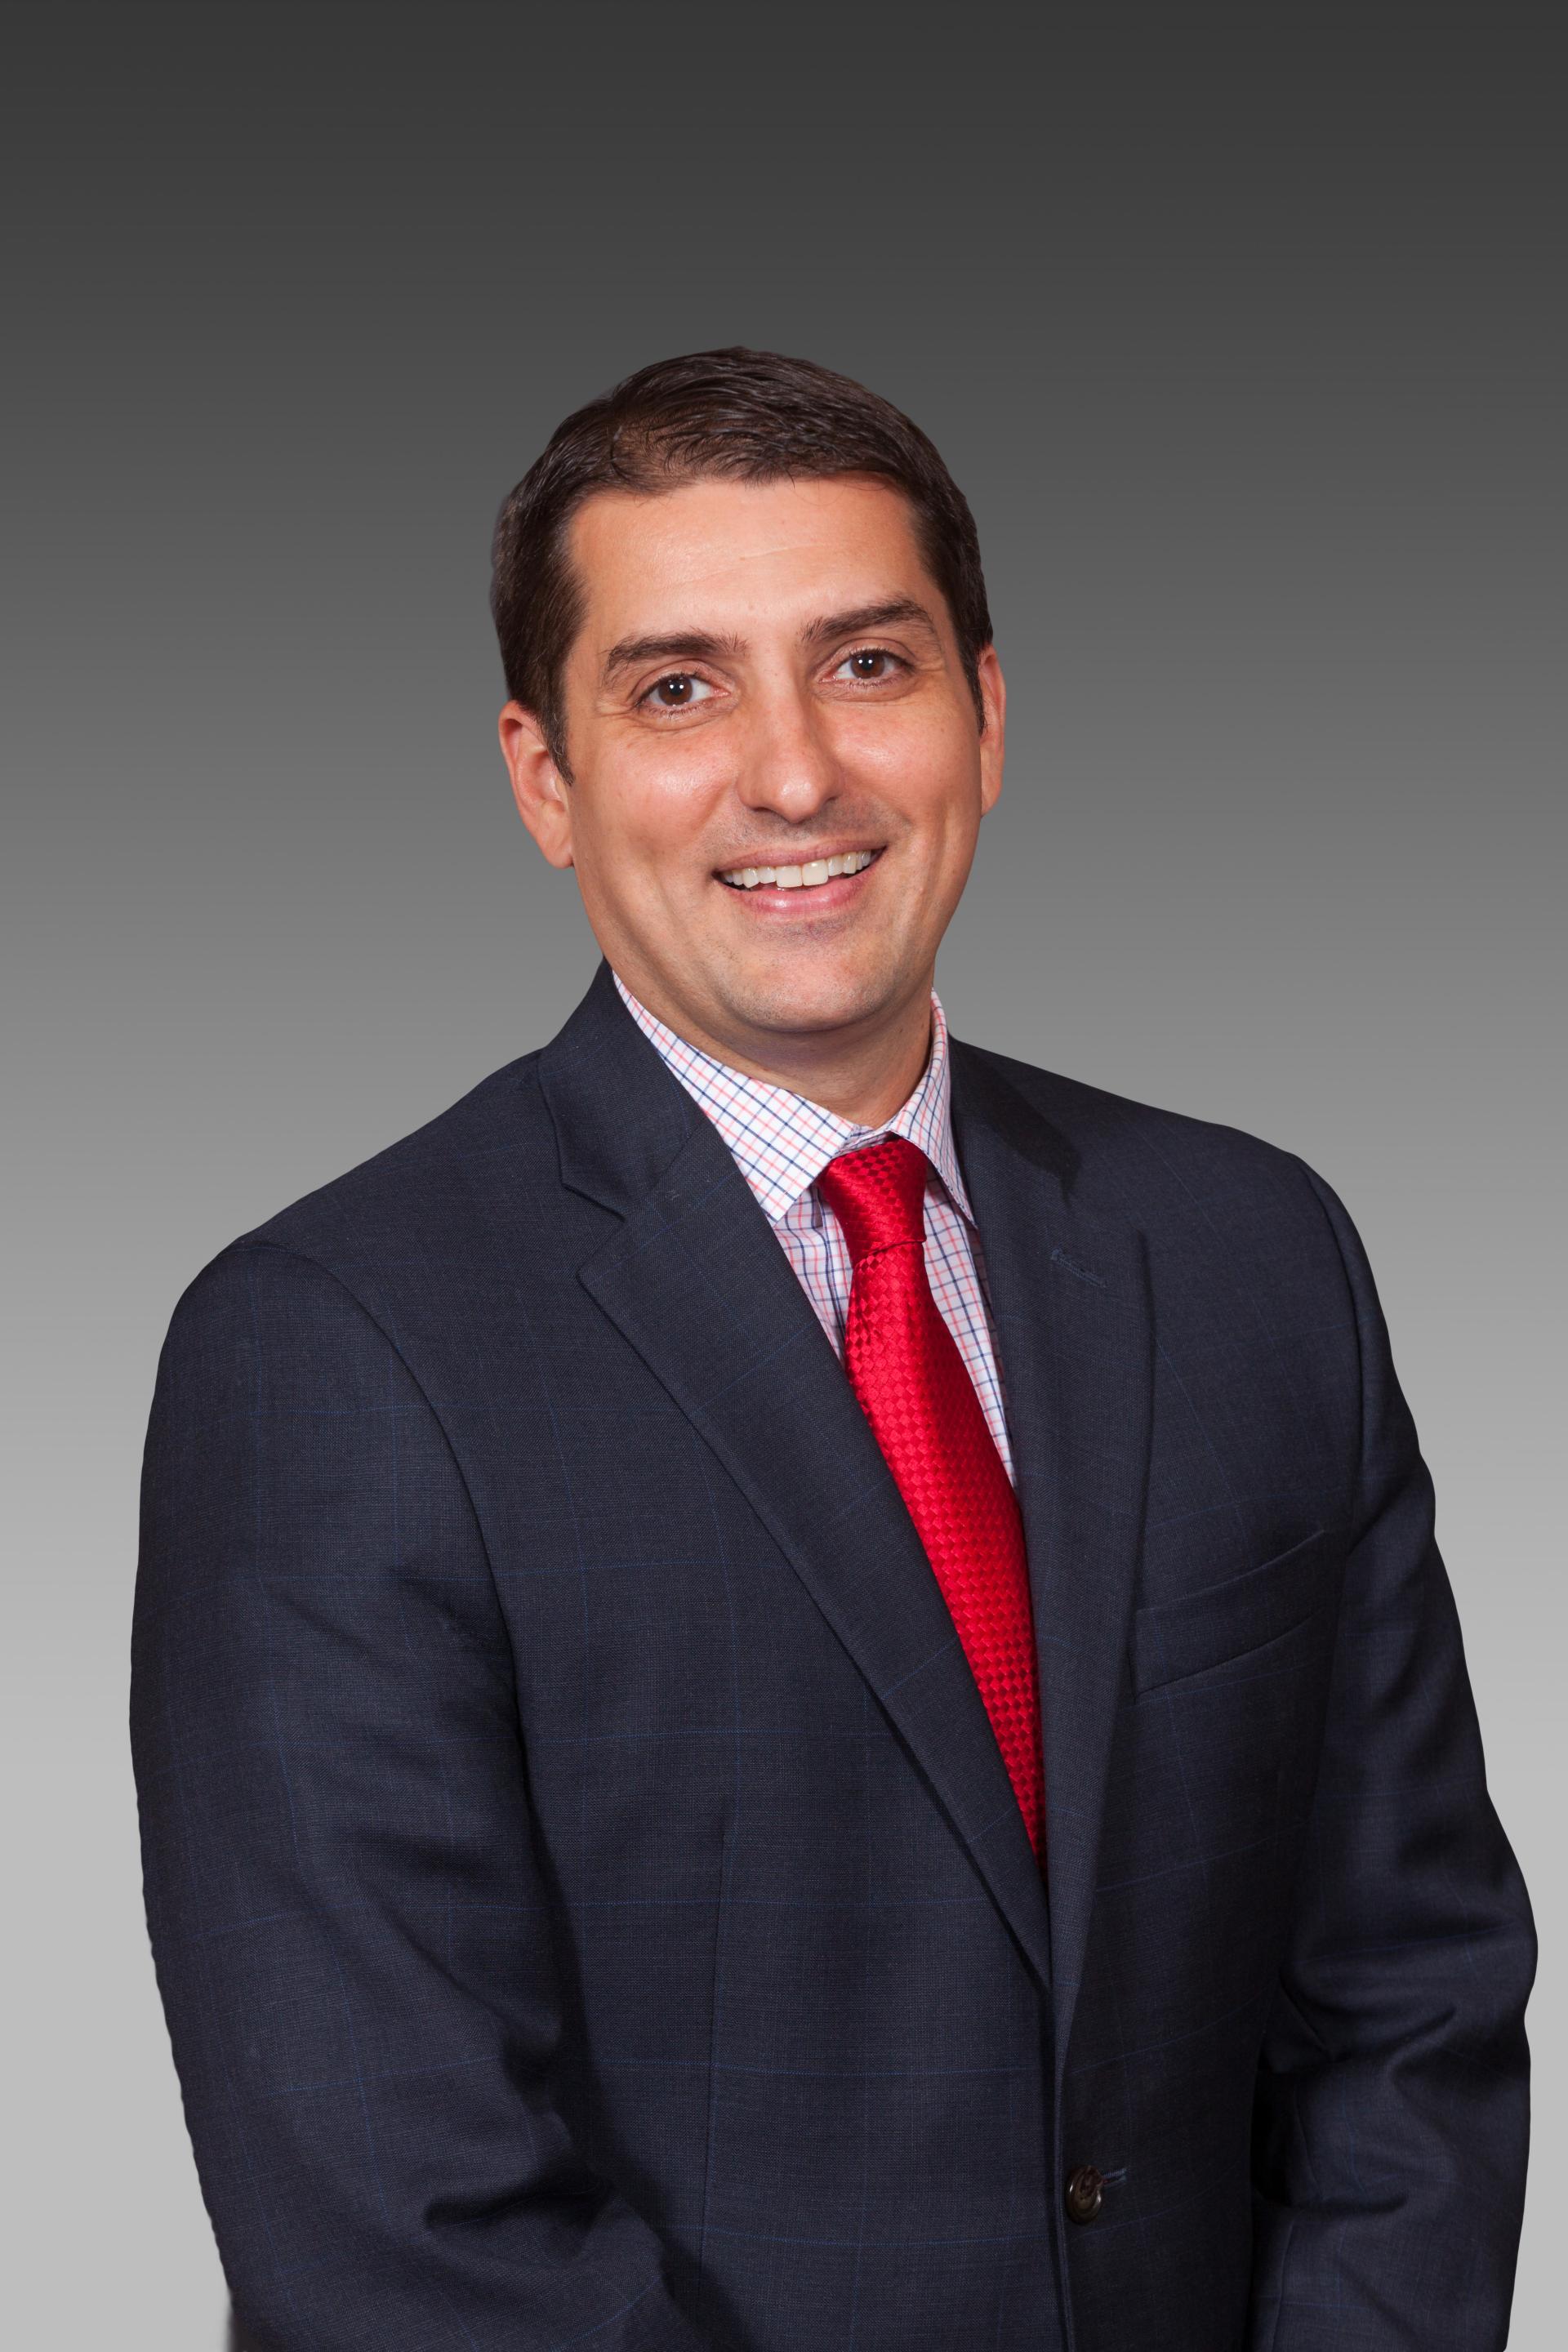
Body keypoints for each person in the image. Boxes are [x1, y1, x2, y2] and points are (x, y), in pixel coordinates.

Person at [131, 346, 1535, 2352]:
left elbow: (1414, 2000)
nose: (794, 775)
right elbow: (397, 2218)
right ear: (546, 779)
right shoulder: (335, 1353)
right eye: (679, 688)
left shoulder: (1251, 1253)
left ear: (986, 712)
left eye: (868, 663)